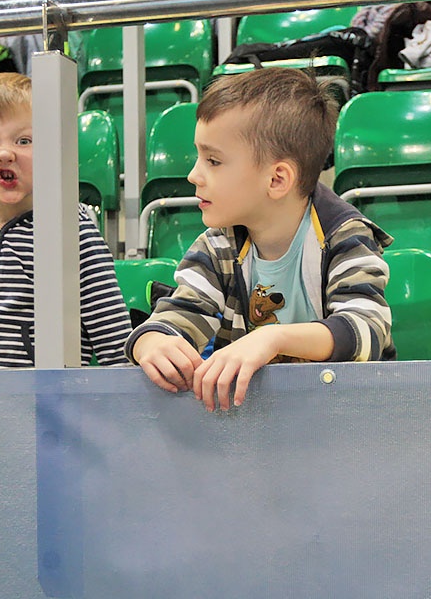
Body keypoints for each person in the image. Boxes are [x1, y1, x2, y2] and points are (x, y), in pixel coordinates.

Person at [126, 67, 395, 412]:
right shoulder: (216, 246)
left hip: (349, 419)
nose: (194, 174)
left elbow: (366, 329)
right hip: (259, 428)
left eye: (213, 161)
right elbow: (180, 314)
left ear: (277, 179)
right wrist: (151, 342)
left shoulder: (345, 236)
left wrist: (271, 337)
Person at [0, 72, 132, 369]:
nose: (5, 153)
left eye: (24, 140)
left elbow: (113, 338)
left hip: (43, 409)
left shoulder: (71, 231)